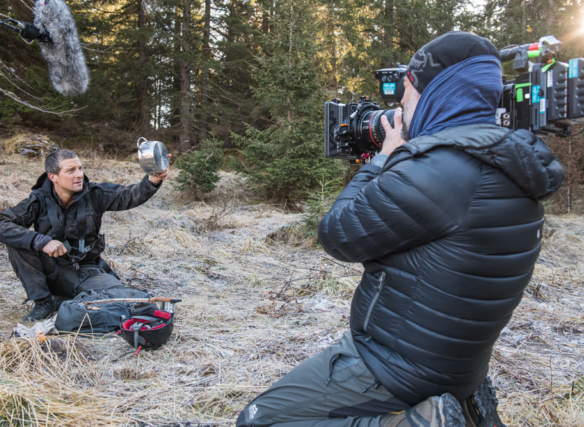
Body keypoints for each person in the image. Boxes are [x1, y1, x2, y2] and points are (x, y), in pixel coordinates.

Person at [237, 31, 564, 427]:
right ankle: (463, 408)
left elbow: (337, 235)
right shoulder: (507, 162)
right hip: (459, 364)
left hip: (395, 365)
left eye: (406, 98)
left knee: (258, 420)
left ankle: (417, 423)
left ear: (437, 93)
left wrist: (378, 161)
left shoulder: (441, 170)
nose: (400, 111)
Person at [0, 149, 167, 322]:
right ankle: (43, 302)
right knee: (19, 242)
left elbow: (128, 196)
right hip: (51, 268)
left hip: (87, 269)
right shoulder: (38, 201)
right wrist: (40, 241)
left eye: (80, 168)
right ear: (53, 177)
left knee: (119, 299)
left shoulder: (95, 194)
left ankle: (63, 300)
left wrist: (153, 179)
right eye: (71, 170)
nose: (79, 174)